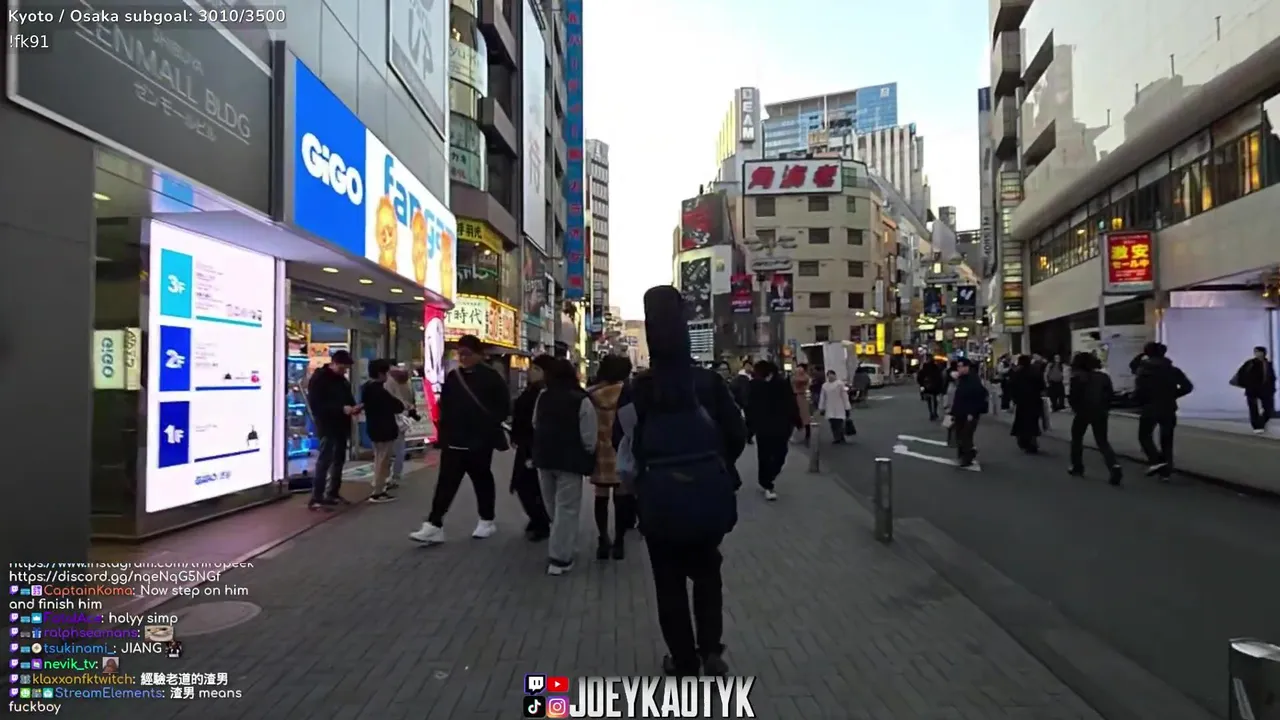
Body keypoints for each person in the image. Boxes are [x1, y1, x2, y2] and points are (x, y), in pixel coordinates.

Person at [613, 285, 746, 677]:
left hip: (659, 500)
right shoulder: (708, 382)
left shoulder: (637, 388)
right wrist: (717, 465)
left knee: (668, 582)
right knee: (708, 574)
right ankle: (712, 651)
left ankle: (683, 660)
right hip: (707, 495)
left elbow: (623, 442)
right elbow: (737, 433)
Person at [409, 335, 510, 545]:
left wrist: (485, 426)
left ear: (479, 354)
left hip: (480, 441)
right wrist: (443, 434)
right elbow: (445, 407)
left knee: (482, 480)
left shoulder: (492, 377)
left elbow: (504, 408)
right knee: (446, 483)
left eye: (467, 354)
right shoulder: (454, 377)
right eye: (460, 354)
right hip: (454, 440)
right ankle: (434, 524)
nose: (463, 358)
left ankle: (486, 519)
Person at [532, 357, 598, 575]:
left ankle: (562, 546)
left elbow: (535, 423)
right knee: (566, 508)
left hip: (544, 458)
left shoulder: (543, 396)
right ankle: (560, 558)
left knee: (552, 506)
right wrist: (588, 453)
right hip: (570, 461)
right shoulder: (581, 400)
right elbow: (589, 435)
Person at [587, 354, 635, 560]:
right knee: (622, 496)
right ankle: (619, 542)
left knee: (601, 496)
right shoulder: (628, 393)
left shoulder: (591, 395)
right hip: (621, 448)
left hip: (600, 450)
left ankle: (603, 539)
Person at [306, 350, 361, 510]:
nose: (345, 371)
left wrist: (353, 408)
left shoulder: (342, 381)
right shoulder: (319, 379)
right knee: (325, 460)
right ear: (334, 363)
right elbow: (316, 405)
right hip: (327, 425)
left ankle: (333, 493)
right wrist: (341, 409)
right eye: (343, 367)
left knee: (338, 460)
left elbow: (348, 398)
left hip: (342, 424)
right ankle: (317, 497)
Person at [1133, 342, 1193, 479]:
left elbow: (1139, 390)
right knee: (1167, 440)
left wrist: (1136, 399)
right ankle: (1166, 472)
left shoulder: (1144, 371)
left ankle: (1157, 460)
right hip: (1168, 407)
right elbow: (1187, 387)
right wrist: (1173, 395)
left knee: (1144, 436)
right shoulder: (1173, 370)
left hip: (1149, 408)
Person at [509, 356, 553, 541]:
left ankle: (541, 521)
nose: (530, 372)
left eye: (536, 369)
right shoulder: (531, 390)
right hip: (526, 444)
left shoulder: (545, 393)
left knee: (530, 486)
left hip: (536, 446)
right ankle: (537, 518)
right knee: (526, 485)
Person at [745, 360, 802, 500]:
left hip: (782, 424)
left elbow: (791, 402)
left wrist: (797, 420)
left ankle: (770, 475)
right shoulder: (754, 385)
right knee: (764, 455)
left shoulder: (781, 383)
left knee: (781, 453)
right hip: (763, 426)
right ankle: (767, 483)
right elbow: (749, 406)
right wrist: (750, 427)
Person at [1067, 352, 1122, 485]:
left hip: (1083, 412)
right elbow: (1110, 395)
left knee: (1077, 439)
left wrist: (1076, 409)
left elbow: (1073, 397)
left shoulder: (1077, 377)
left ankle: (1077, 466)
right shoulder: (1103, 377)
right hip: (1100, 412)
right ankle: (1113, 465)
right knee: (1102, 441)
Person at [360, 359, 405, 503]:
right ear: (380, 374)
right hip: (385, 429)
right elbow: (398, 406)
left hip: (373, 428)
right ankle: (378, 491)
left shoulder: (366, 388)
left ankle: (377, 486)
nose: (387, 376)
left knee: (379, 458)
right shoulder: (380, 391)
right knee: (383, 461)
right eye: (386, 373)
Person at [948, 358, 988, 469]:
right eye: (958, 366)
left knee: (966, 435)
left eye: (961, 366)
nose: (959, 369)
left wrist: (972, 412)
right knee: (959, 434)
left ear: (967, 367)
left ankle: (967, 456)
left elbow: (977, 397)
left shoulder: (973, 380)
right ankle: (964, 455)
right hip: (960, 412)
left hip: (969, 413)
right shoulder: (961, 379)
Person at [385, 365, 419, 489]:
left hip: (390, 417)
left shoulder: (388, 382)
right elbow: (412, 399)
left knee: (386, 449)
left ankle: (385, 476)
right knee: (400, 448)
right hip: (403, 417)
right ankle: (396, 476)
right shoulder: (408, 382)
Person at [1233, 346, 1277, 433]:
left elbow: (1272, 378)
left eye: (1259, 352)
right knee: (1253, 409)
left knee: (1268, 410)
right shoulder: (1250, 363)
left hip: (1265, 390)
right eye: (1256, 352)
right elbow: (1241, 374)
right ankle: (1257, 427)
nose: (1258, 354)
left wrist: (1272, 389)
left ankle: (1260, 423)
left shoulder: (1267, 364)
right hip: (1252, 390)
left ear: (1264, 353)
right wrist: (1247, 385)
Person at [1007, 355, 1045, 453]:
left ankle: (1024, 442)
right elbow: (1042, 386)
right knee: (1033, 422)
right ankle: (1033, 441)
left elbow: (1012, 386)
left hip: (1022, 402)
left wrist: (1014, 399)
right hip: (1034, 400)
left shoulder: (1017, 373)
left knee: (1022, 422)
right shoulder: (1036, 372)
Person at [817, 370, 852, 443]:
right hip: (829, 407)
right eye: (829, 375)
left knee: (839, 423)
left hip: (839, 406)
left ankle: (840, 436)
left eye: (832, 375)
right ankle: (837, 437)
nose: (830, 377)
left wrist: (847, 407)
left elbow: (844, 396)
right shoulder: (825, 386)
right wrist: (821, 407)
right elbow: (822, 397)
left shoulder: (840, 384)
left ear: (835, 375)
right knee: (833, 423)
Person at [730, 359, 754, 444]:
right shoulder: (739, 378)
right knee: (746, 420)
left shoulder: (753, 377)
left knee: (750, 421)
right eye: (747, 365)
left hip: (750, 402)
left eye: (750, 366)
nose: (749, 367)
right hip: (743, 402)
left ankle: (748, 435)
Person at [793, 365, 814, 444]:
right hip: (800, 397)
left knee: (804, 417)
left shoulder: (801, 378)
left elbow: (799, 381)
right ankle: (805, 434)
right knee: (803, 417)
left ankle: (805, 434)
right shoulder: (805, 377)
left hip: (801, 396)